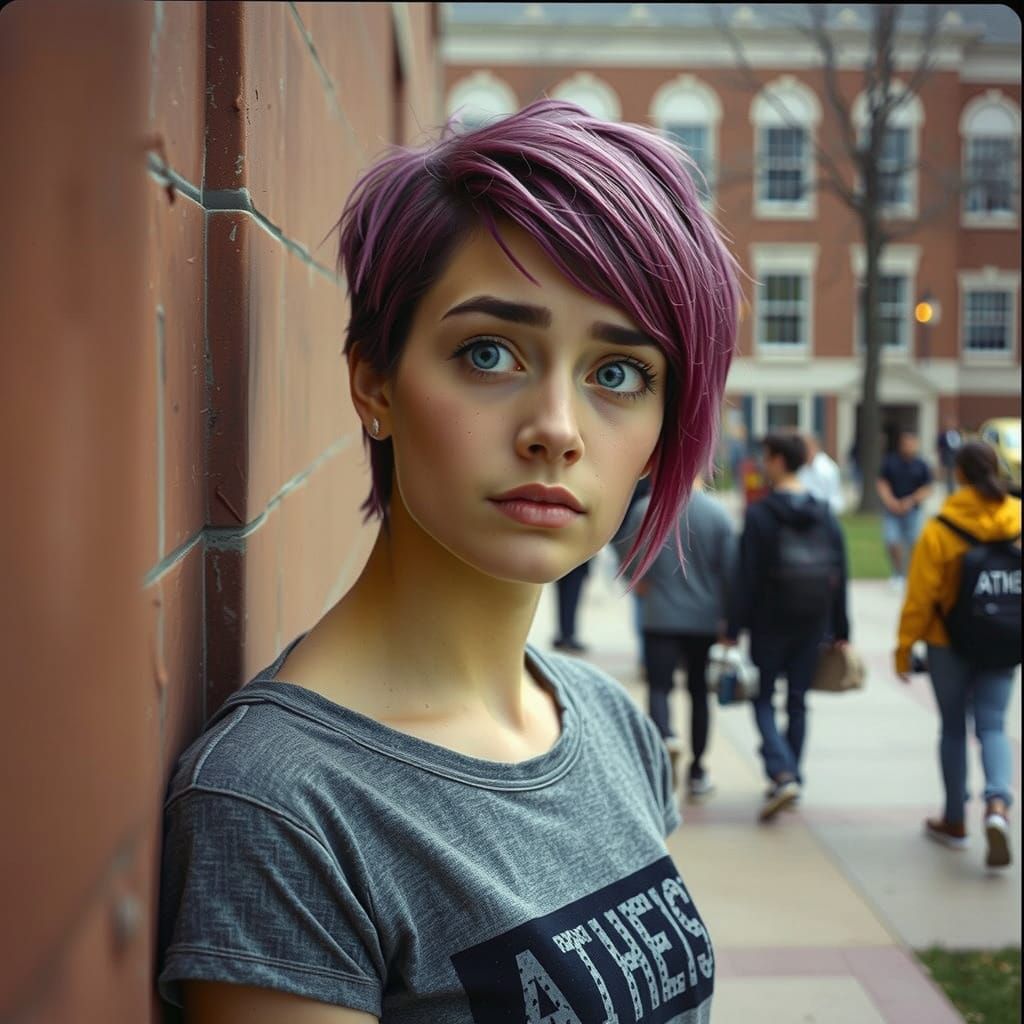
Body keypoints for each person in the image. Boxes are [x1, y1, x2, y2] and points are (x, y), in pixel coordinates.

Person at [157, 99, 741, 1022]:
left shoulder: (605, 724)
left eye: (618, 373)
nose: (556, 428)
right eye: (489, 352)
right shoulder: (283, 806)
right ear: (374, 382)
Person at [895, 442, 1021, 869]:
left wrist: (903, 648)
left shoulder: (941, 527)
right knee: (993, 725)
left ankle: (954, 821)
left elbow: (920, 596)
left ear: (960, 474)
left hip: (947, 642)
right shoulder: (1017, 519)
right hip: (1005, 638)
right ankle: (999, 805)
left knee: (952, 728)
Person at [723, 433, 850, 822]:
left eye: (766, 457)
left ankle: (782, 771)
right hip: (813, 621)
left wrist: (734, 625)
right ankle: (792, 772)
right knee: (797, 700)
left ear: (778, 461)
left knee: (762, 698)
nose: (762, 463)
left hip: (769, 621)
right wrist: (842, 628)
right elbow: (839, 574)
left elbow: (745, 576)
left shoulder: (761, 514)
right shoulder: (824, 512)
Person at [614, 475, 737, 800]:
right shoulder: (717, 514)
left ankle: (664, 743)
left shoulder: (646, 510)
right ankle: (698, 771)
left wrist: (637, 579)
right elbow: (730, 571)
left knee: (659, 687)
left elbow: (626, 553)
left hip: (659, 615)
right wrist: (729, 620)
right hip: (704, 619)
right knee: (699, 694)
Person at [877, 430, 933, 588]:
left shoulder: (921, 465)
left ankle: (912, 574)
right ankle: (897, 574)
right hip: (892, 509)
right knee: (892, 540)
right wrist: (890, 501)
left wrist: (911, 500)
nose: (909, 447)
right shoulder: (891, 462)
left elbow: (927, 488)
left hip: (913, 510)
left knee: (914, 543)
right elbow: (882, 482)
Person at [797, 432, 844, 516]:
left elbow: (831, 497)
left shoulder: (826, 469)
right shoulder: (801, 467)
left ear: (815, 447)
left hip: (823, 512)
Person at [552, 558, 592, 653]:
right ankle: (567, 636)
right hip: (575, 566)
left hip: (561, 566)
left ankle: (565, 635)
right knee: (570, 601)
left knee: (565, 601)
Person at [936, 417, 963, 494]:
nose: (951, 425)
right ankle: (950, 490)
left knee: (957, 473)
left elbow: (959, 445)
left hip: (957, 456)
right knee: (949, 474)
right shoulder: (943, 435)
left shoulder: (957, 434)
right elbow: (939, 447)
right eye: (949, 424)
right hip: (947, 456)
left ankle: (955, 488)